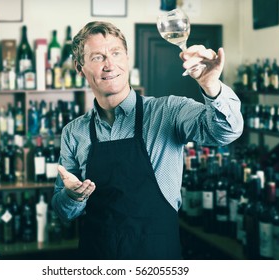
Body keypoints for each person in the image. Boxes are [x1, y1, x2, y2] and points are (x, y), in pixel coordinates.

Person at [51, 21, 243, 260]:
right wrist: (73, 196)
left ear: (128, 58)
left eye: (116, 53)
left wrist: (211, 86)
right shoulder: (74, 132)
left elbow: (226, 131)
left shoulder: (168, 111)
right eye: (98, 57)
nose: (109, 64)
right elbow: (62, 211)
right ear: (80, 68)